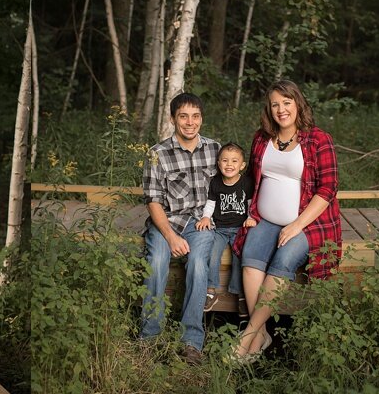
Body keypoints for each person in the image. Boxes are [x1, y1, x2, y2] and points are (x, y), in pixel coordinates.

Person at [232, 80, 341, 360]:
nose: (281, 109)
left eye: (287, 102)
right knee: (250, 259)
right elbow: (252, 180)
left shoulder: (318, 139)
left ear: (297, 104)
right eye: (275, 104)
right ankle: (262, 333)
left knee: (282, 262)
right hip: (264, 220)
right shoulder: (261, 138)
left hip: (308, 223)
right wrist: (246, 212)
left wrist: (296, 225)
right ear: (269, 109)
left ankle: (247, 336)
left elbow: (328, 188)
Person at [141, 92, 220, 364]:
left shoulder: (214, 149)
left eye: (195, 116)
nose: (190, 122)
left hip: (200, 223)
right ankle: (150, 337)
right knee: (158, 261)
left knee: (199, 263)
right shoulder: (157, 153)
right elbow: (152, 200)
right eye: (183, 116)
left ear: (202, 118)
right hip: (167, 222)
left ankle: (191, 342)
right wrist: (170, 236)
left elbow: (229, 185)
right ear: (173, 118)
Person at [197, 142, 257, 316]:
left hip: (240, 228)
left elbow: (250, 204)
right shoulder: (216, 182)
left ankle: (240, 295)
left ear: (242, 165)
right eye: (225, 160)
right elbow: (210, 203)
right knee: (212, 253)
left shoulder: (246, 183)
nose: (229, 165)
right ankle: (210, 290)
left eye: (234, 161)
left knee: (240, 257)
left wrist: (251, 217)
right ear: (218, 163)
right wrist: (206, 216)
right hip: (220, 229)